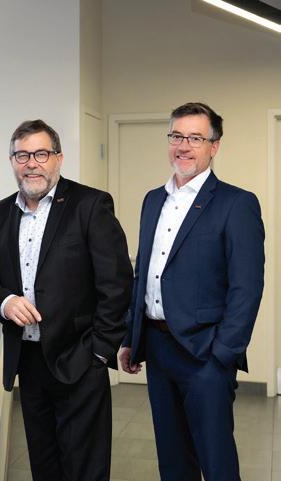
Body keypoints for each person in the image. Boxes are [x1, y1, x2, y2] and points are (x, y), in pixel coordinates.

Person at [0, 119, 133, 481]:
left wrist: (99, 352)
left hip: (80, 358)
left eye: (41, 154)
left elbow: (117, 284)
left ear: (58, 158)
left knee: (85, 469)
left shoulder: (89, 205)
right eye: (22, 155)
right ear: (12, 161)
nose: (32, 163)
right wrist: (6, 301)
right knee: (44, 466)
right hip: (28, 362)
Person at [119, 102, 265, 481]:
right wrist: (131, 337)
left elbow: (246, 288)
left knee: (216, 463)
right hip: (157, 348)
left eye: (195, 138)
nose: (184, 146)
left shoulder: (236, 203)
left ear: (214, 146)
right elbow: (143, 273)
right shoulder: (153, 200)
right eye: (177, 136)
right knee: (173, 462)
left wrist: (222, 355)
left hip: (205, 355)